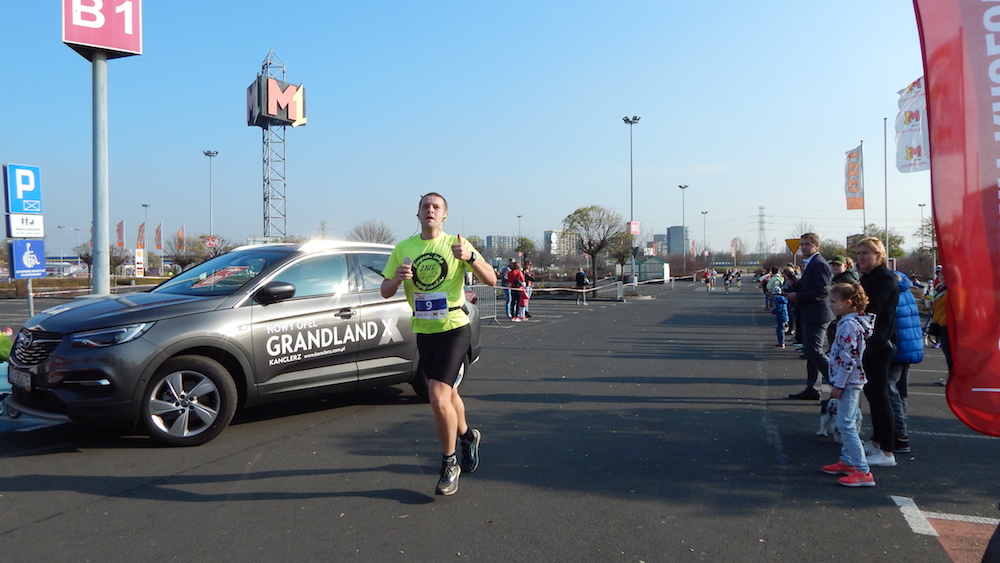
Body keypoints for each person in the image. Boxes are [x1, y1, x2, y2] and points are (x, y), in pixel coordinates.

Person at [381, 192, 498, 496]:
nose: (430, 210)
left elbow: (492, 280)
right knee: (449, 394)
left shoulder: (456, 244)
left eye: (436, 207)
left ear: (444, 215)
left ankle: (449, 464)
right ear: (418, 213)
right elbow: (385, 290)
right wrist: (397, 279)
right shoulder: (404, 248)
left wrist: (470, 258)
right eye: (425, 206)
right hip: (424, 330)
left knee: (436, 395)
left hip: (454, 328)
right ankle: (468, 436)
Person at [821, 282, 877, 487]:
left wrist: (838, 384)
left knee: (845, 424)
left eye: (833, 301)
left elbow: (848, 358)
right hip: (851, 380)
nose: (830, 305)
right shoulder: (851, 322)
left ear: (847, 303)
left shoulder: (848, 326)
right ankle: (847, 461)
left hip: (848, 381)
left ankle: (863, 470)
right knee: (848, 421)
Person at [856, 237, 899, 468]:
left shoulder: (884, 278)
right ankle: (876, 441)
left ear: (878, 255)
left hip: (881, 343)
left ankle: (887, 451)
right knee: (872, 393)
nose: (861, 257)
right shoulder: (868, 277)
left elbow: (872, 310)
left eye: (866, 253)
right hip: (868, 342)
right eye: (859, 253)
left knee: (881, 396)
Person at [785, 233, 835, 400]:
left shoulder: (818, 263)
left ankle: (838, 383)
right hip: (811, 312)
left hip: (818, 313)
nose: (803, 247)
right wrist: (797, 284)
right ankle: (813, 388)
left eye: (807, 244)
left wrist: (798, 296)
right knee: (810, 352)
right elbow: (812, 286)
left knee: (815, 351)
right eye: (802, 244)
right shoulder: (811, 263)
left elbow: (823, 290)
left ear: (816, 246)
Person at [888, 270, 923, 453]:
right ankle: (902, 433)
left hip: (897, 346)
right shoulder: (906, 292)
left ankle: (900, 434)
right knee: (901, 391)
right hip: (910, 345)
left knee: (890, 389)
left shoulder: (892, 294)